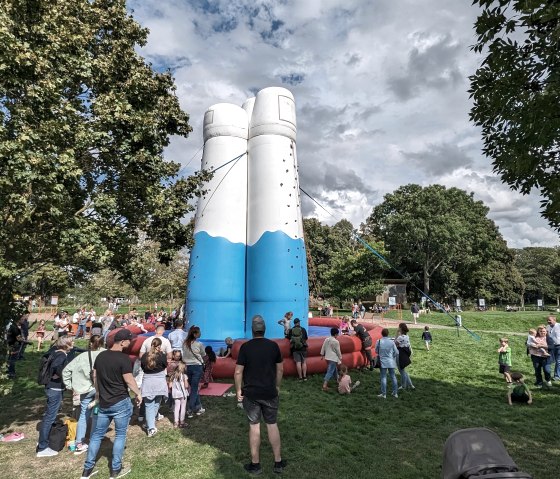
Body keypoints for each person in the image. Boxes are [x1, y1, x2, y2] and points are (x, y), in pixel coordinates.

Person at [80, 329, 142, 479]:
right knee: (120, 435)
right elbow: (128, 379)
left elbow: (95, 375)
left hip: (104, 403)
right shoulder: (124, 359)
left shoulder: (100, 356)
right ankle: (115, 470)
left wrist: (98, 394)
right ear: (122, 342)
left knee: (96, 436)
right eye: (129, 340)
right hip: (120, 402)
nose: (130, 343)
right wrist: (138, 393)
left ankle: (87, 470)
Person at [234, 315, 286, 475]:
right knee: (272, 424)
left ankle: (255, 464)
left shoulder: (245, 347)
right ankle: (278, 462)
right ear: (264, 329)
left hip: (251, 394)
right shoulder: (273, 346)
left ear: (252, 330)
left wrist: (238, 391)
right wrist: (277, 386)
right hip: (270, 392)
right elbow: (280, 369)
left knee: (254, 426)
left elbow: (238, 371)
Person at [62, 335, 105, 454]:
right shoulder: (106, 354)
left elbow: (66, 370)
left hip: (84, 388)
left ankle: (79, 442)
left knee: (83, 415)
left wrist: (70, 386)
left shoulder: (82, 357)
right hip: (100, 388)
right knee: (96, 413)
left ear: (90, 343)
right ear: (102, 343)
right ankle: (93, 440)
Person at [37, 336, 74, 457]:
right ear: (66, 344)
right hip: (55, 388)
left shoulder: (55, 351)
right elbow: (56, 367)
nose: (73, 342)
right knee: (50, 417)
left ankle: (43, 440)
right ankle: (42, 447)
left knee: (49, 415)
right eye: (71, 341)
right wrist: (63, 376)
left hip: (51, 387)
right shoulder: (62, 355)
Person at [140, 337, 168, 437]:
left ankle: (149, 424)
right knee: (156, 403)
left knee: (149, 405)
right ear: (159, 346)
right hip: (159, 380)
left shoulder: (144, 356)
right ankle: (150, 427)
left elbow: (143, 367)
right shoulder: (162, 355)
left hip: (148, 380)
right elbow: (165, 365)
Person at [182, 326, 206, 418]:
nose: (200, 333)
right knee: (194, 389)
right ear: (195, 334)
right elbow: (203, 355)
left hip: (187, 367)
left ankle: (198, 407)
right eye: (199, 332)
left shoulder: (185, 343)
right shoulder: (199, 344)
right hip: (197, 367)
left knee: (194, 388)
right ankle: (190, 408)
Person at [375, 328, 399, 399]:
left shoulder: (378, 341)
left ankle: (384, 394)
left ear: (382, 334)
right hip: (390, 361)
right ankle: (395, 393)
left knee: (383, 377)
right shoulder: (392, 342)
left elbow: (376, 351)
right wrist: (392, 356)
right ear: (388, 334)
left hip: (382, 361)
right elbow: (397, 352)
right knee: (393, 376)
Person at [6, 314, 28, 379]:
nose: (23, 321)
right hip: (13, 346)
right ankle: (11, 374)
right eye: (22, 319)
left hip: (12, 345)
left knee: (10, 359)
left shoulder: (14, 326)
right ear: (18, 320)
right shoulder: (14, 328)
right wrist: (26, 341)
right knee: (12, 360)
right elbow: (18, 338)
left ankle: (9, 371)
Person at [320, 327, 342, 392]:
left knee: (334, 370)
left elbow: (323, 347)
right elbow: (338, 351)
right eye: (337, 334)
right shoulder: (336, 341)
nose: (338, 336)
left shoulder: (327, 339)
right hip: (333, 358)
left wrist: (322, 354)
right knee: (330, 371)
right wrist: (340, 358)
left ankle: (338, 381)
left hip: (327, 358)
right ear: (335, 334)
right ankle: (324, 385)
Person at [169, 362, 189, 428]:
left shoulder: (172, 376)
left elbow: (170, 385)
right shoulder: (184, 376)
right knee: (183, 408)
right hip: (183, 394)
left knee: (176, 408)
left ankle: (176, 422)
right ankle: (182, 422)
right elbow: (186, 386)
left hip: (175, 394)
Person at [395, 323, 415, 390]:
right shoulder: (407, 336)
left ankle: (403, 386)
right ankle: (411, 385)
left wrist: (397, 334)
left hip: (400, 355)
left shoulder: (400, 337)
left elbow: (395, 343)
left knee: (401, 371)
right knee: (403, 370)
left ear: (400, 328)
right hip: (405, 355)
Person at [546, 316, 560, 380]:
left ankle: (557, 376)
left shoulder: (559, 326)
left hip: (559, 346)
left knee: (558, 361)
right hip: (551, 346)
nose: (548, 321)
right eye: (547, 320)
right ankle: (547, 373)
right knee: (549, 360)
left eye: (550, 320)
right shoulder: (547, 327)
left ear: (554, 320)